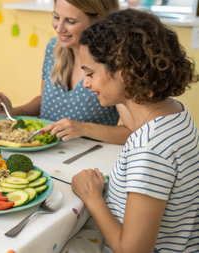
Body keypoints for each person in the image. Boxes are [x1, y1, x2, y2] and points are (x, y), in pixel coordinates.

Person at [70, 9, 199, 252]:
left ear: (123, 71)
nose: (85, 83)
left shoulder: (149, 147)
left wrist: (92, 197)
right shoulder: (175, 112)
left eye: (90, 73)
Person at [0, 0, 133, 145]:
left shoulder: (114, 61)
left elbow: (131, 132)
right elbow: (46, 100)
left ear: (98, 22)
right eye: (56, 17)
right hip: (45, 152)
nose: (58, 28)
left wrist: (83, 129)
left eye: (70, 21)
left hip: (88, 158)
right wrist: (12, 111)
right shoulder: (54, 47)